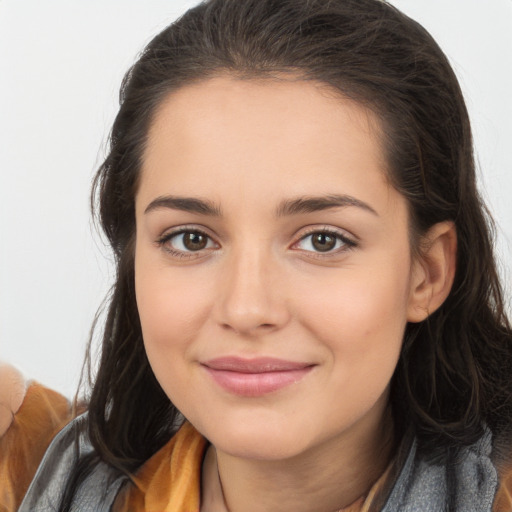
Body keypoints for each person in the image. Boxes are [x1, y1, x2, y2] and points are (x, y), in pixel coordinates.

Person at [1, 0, 511, 510]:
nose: (246, 309)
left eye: (322, 240)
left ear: (428, 273)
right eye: (191, 239)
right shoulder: (27, 469)